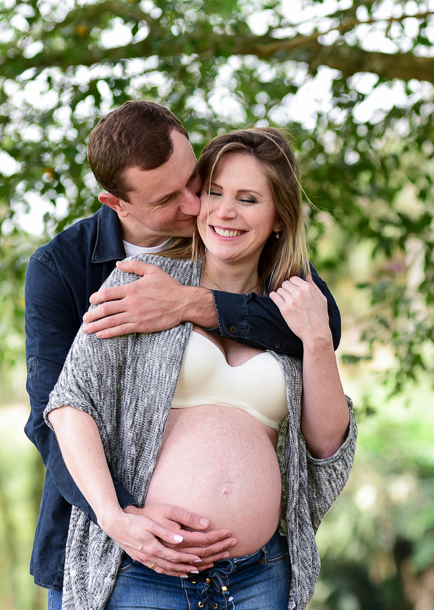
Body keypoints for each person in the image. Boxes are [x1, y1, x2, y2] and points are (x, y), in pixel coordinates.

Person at [24, 102, 342, 607]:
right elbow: (60, 406)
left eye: (197, 182)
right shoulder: (71, 271)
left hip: (259, 578)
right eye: (184, 196)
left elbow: (325, 349)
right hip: (128, 557)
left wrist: (189, 304)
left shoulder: (285, 282)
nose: (202, 208)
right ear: (117, 204)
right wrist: (120, 516)